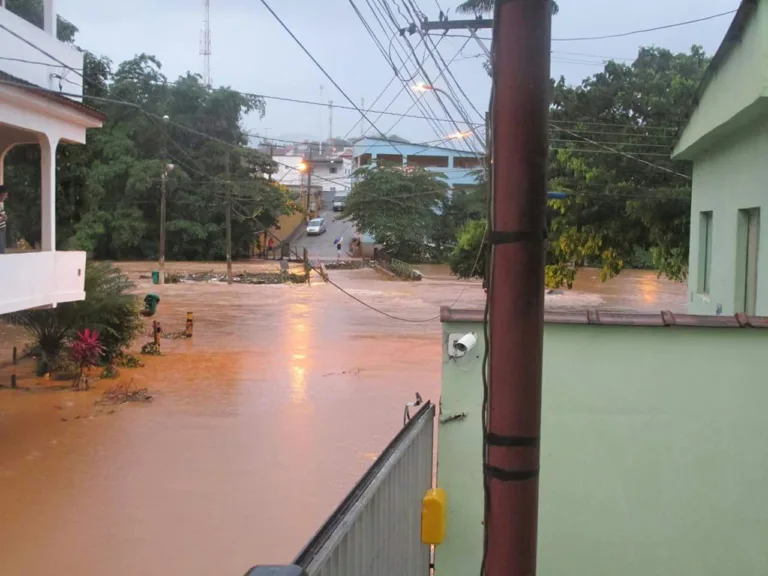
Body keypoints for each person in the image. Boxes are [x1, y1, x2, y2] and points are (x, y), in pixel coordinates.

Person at [0, 185, 7, 255]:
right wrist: (3, 218)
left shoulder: (1, 204)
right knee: (1, 250)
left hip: (2, 229)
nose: (6, 197)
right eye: (5, 195)